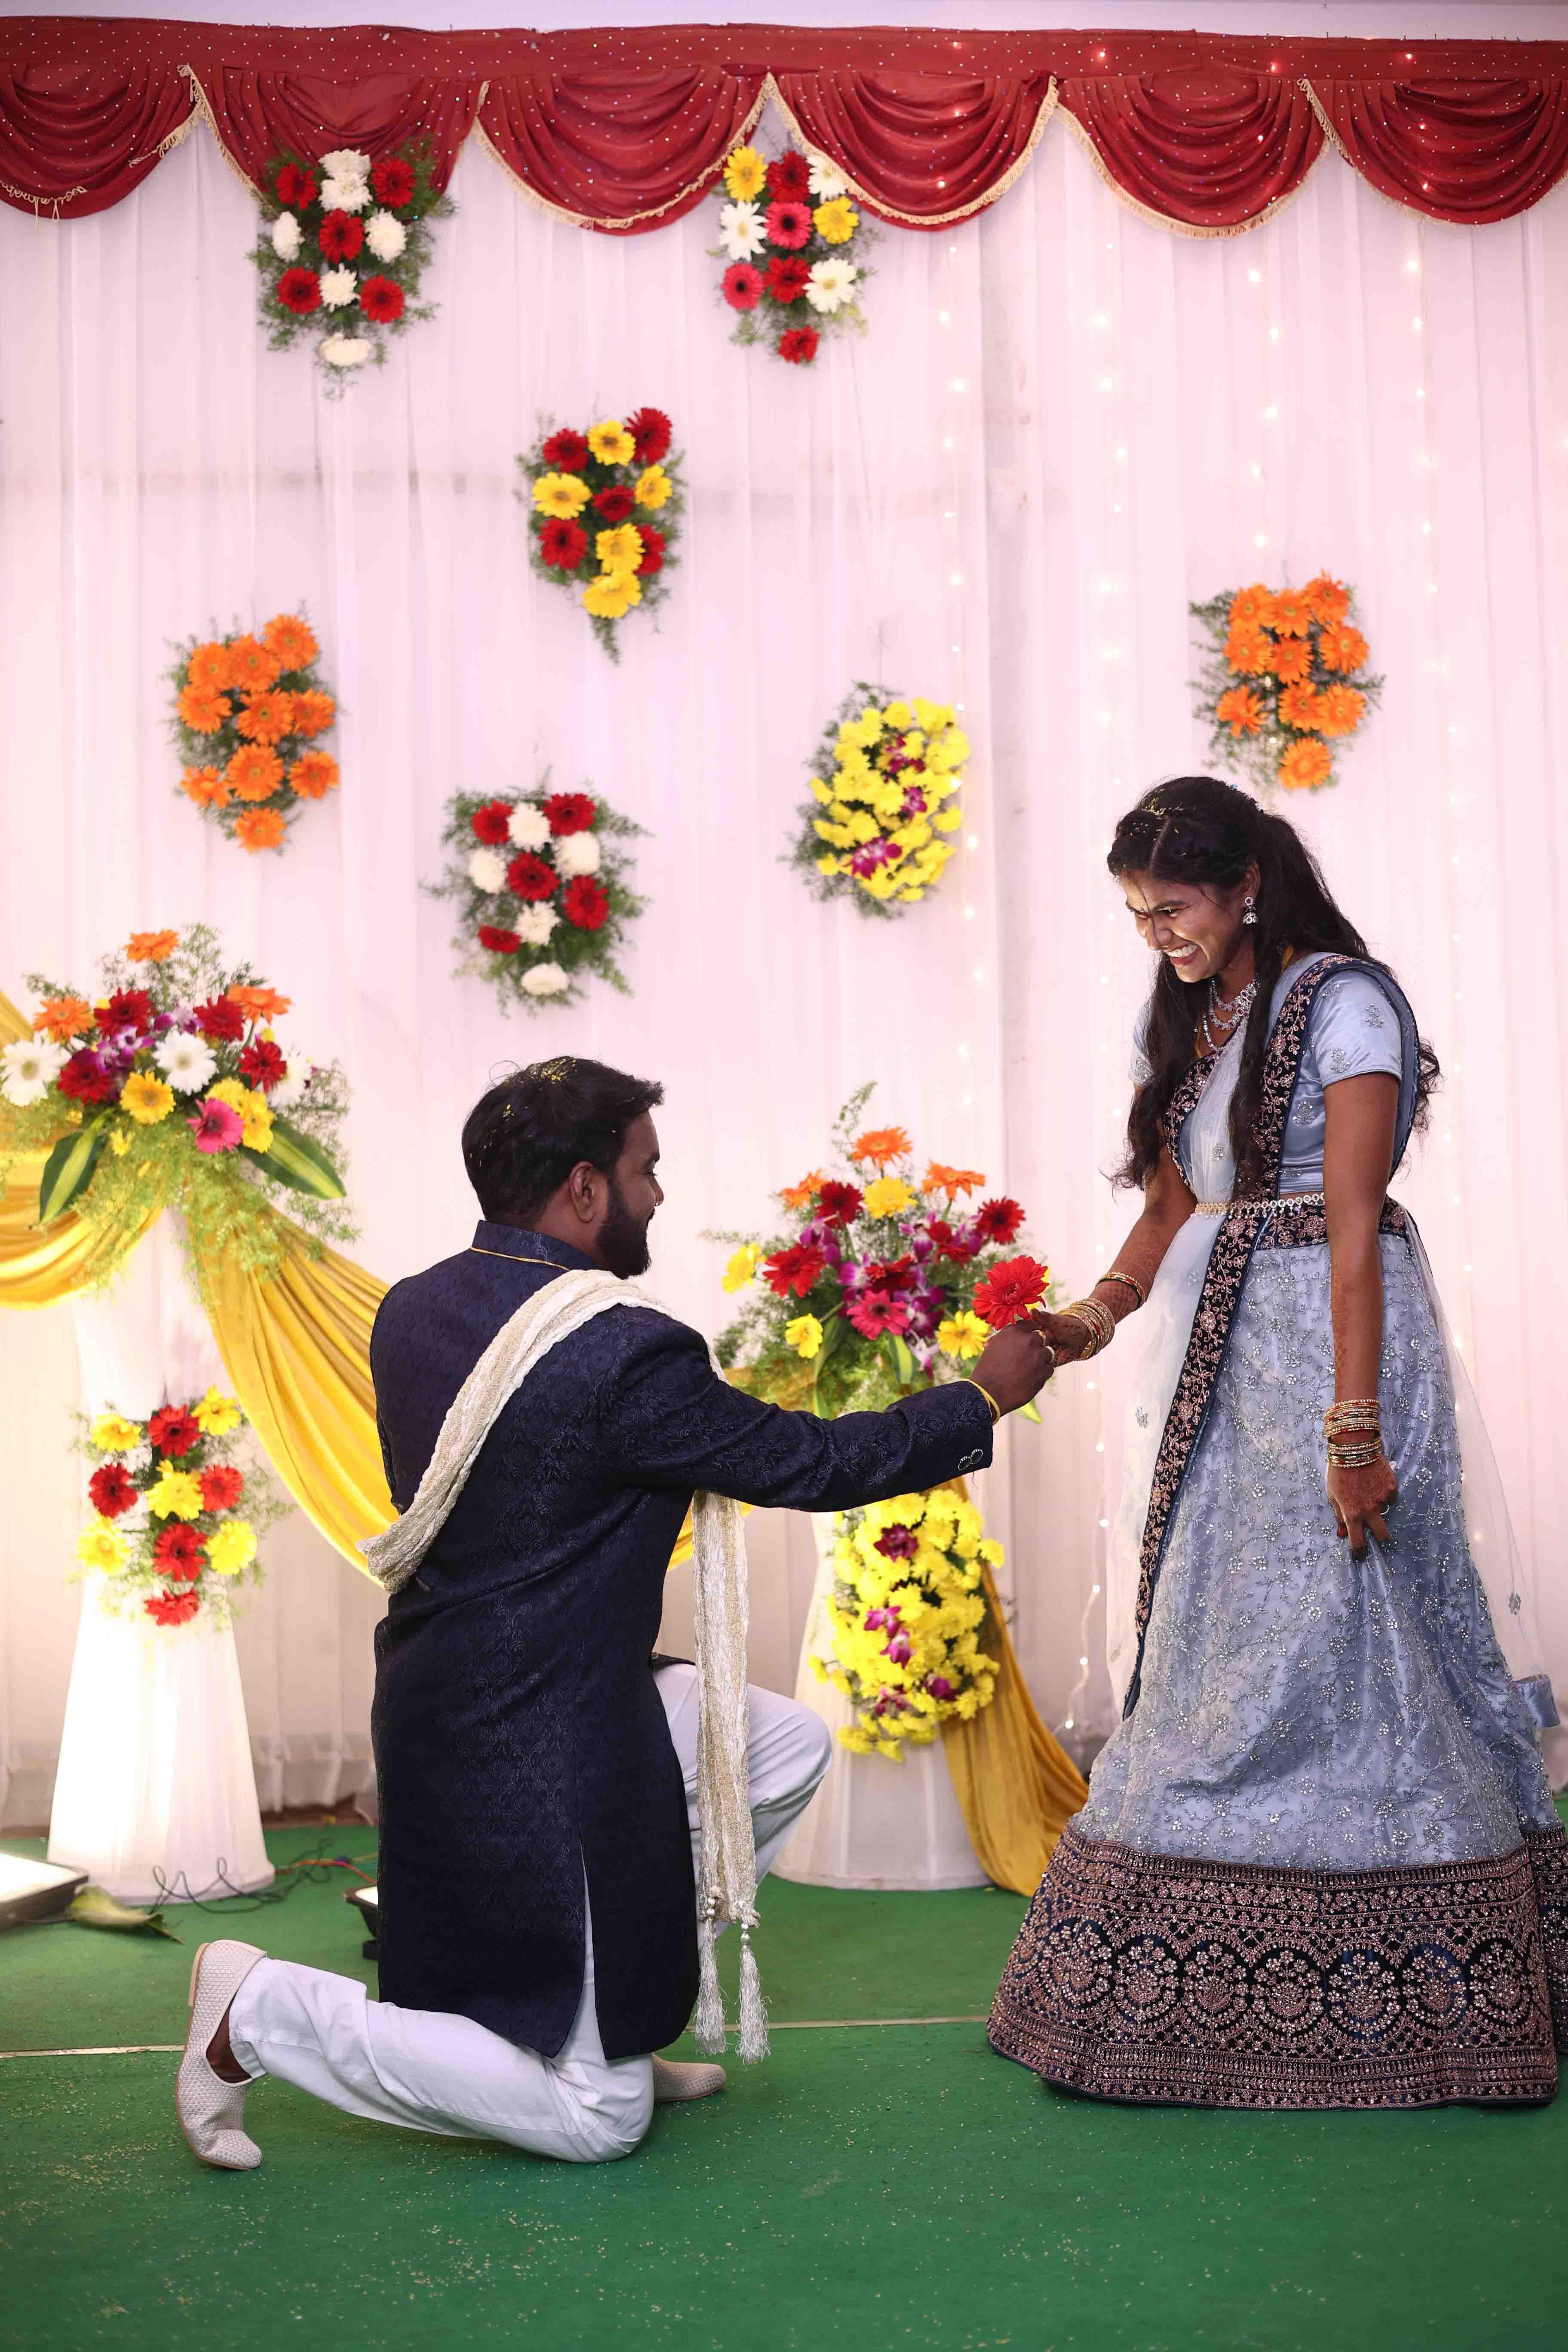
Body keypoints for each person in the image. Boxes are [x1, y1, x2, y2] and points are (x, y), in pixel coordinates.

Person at [176, 1055, 1053, 2169]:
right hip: (542, 1737)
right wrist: (980, 1396)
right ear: (584, 1190)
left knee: (779, 1746)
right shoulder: (623, 1354)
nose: (659, 1194)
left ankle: (617, 2017)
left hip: (456, 1700)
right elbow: (814, 1461)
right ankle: (255, 2011)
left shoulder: (415, 1310)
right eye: (646, 1169)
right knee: (599, 2125)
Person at [990, 776, 1568, 2110]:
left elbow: (1353, 1228)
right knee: (1219, 1621)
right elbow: (1177, 1200)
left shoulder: (1348, 1002)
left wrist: (1353, 1430)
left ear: (1247, 880)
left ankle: (1433, 2003)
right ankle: (1189, 1992)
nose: (1160, 937)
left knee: (1353, 1618)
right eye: (1139, 916)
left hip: (1339, 1344)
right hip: (1230, 1357)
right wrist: (1086, 1320)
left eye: (1174, 908)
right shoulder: (1210, 1014)